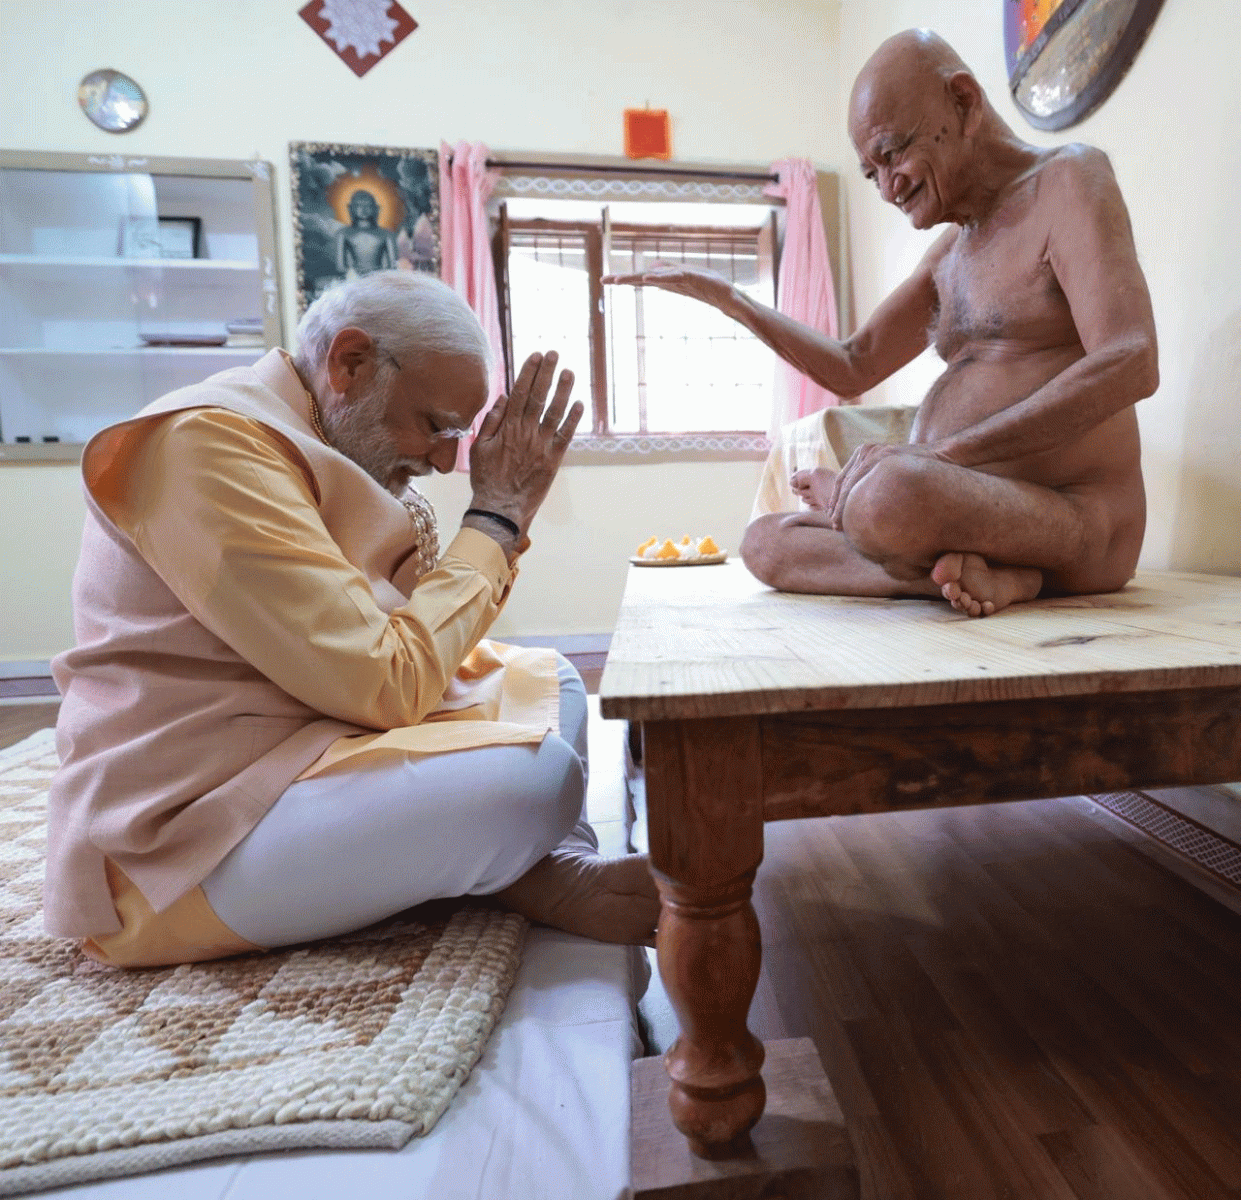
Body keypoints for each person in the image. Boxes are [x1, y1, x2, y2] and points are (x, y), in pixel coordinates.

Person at [44, 270, 660, 967]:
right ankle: (521, 867)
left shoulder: (303, 434)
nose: (445, 459)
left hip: (307, 739)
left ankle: (536, 869)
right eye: (435, 426)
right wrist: (497, 517)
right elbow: (386, 684)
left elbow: (389, 648)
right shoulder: (207, 443)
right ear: (350, 363)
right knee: (537, 779)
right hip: (188, 833)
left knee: (547, 679)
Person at [606, 28, 1158, 617]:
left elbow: (1130, 361)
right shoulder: (951, 253)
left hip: (1078, 519)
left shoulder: (1068, 180)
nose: (889, 189)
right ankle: (989, 576)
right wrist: (730, 300)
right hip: (968, 508)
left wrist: (940, 460)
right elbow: (854, 363)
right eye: (871, 173)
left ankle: (999, 564)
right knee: (766, 543)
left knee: (888, 497)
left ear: (964, 103)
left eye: (892, 154)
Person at [335, 188, 398, 277]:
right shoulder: (343, 234)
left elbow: (393, 266)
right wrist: (353, 277)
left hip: (379, 280)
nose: (363, 209)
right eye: (358, 205)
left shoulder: (387, 234)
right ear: (350, 208)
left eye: (368, 205)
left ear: (376, 208)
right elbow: (340, 267)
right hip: (354, 280)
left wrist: (380, 279)